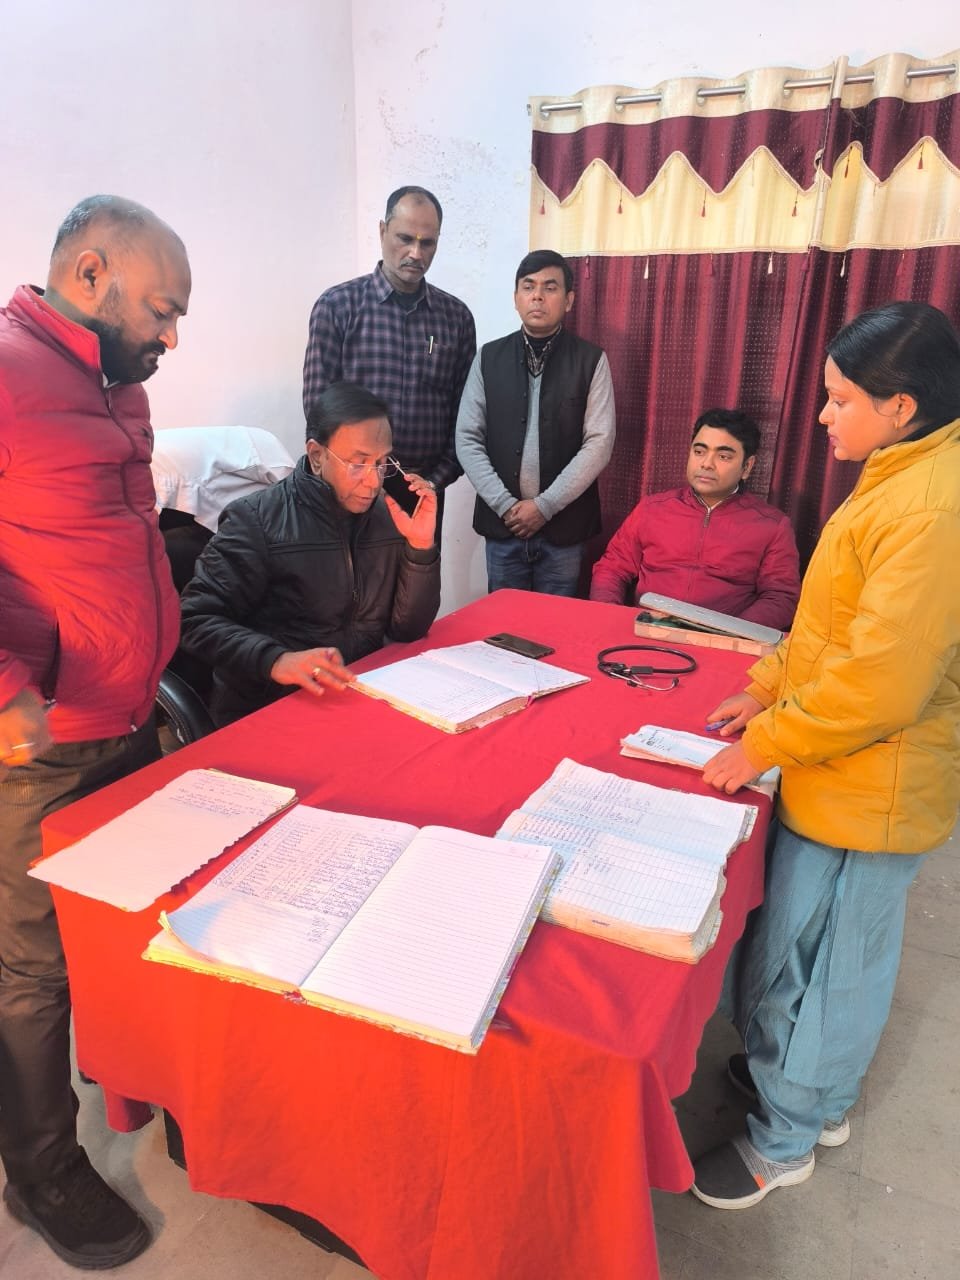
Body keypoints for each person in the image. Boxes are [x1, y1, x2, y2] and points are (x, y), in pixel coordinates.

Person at [691, 302, 960, 1210]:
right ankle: (805, 1087)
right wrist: (765, 685)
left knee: (830, 966)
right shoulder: (898, 472)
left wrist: (763, 744)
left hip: (874, 785)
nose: (822, 416)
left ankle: (788, 1138)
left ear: (900, 405)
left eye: (840, 399)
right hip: (839, 767)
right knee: (794, 946)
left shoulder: (933, 506)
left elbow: (880, 685)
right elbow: (828, 628)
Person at [0, 195, 190, 1267]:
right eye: (162, 308)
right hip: (41, 746)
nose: (173, 334)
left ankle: (127, 1086)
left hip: (127, 719)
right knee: (32, 971)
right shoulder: (7, 373)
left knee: (119, 931)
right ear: (89, 274)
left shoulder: (121, 386)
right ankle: (42, 1172)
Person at [180, 382, 441, 727]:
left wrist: (420, 547)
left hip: (357, 694)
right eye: (358, 463)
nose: (373, 481)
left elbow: (408, 630)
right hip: (272, 707)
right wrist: (276, 659)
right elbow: (195, 618)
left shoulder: (384, 516)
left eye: (382, 463)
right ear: (317, 456)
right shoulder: (256, 520)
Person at [302, 186, 476, 525]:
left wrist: (433, 481)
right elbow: (318, 411)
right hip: (350, 492)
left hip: (421, 494)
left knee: (420, 563)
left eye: (428, 243)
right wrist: (365, 475)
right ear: (382, 231)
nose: (415, 253)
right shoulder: (338, 307)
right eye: (405, 238)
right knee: (347, 564)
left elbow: (465, 416)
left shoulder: (456, 318)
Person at [456, 249, 616, 596]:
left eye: (550, 287)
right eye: (528, 287)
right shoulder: (488, 358)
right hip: (504, 525)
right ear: (516, 298)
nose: (538, 296)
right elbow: (467, 438)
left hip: (565, 531)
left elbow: (599, 443)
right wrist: (505, 505)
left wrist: (544, 506)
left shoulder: (591, 360)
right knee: (502, 624)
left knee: (555, 623)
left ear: (569, 300)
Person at [589, 409, 801, 630]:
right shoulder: (652, 509)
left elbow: (781, 597)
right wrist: (612, 618)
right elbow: (611, 569)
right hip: (647, 631)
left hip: (722, 640)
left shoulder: (772, 526)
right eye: (699, 451)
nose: (707, 464)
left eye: (723, 456)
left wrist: (734, 633)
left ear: (746, 467)